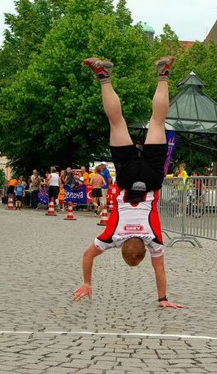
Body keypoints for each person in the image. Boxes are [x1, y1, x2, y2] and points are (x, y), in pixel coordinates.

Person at [73, 55, 183, 309]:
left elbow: (160, 270)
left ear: (144, 250)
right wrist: (87, 282)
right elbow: (88, 255)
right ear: (120, 248)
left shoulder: (154, 238)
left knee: (157, 121)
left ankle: (163, 74)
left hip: (152, 178)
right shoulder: (112, 236)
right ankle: (104, 76)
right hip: (125, 176)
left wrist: (163, 299)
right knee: (116, 121)